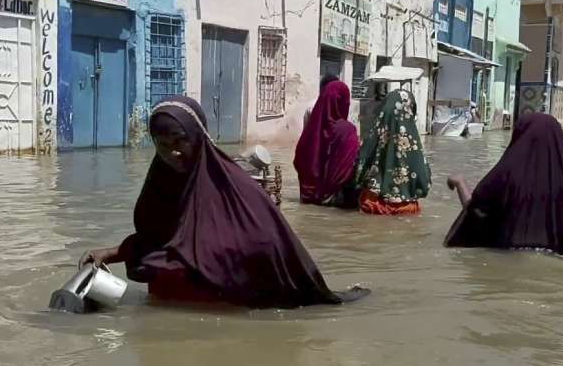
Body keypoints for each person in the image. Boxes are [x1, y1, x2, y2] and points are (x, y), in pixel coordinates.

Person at [79, 96, 369, 309]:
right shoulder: (159, 187)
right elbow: (157, 238)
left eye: (180, 141)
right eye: (162, 145)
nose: (173, 153)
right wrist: (112, 253)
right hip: (165, 316)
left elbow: (266, 243)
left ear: (197, 138)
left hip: (219, 316)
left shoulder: (238, 191)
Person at [444, 113, 563, 259]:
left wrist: (460, 183)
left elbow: (475, 217)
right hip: (558, 273)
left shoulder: (503, 177)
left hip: (505, 265)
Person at [354, 89, 431, 215]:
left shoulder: (372, 140)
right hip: (406, 209)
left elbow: (358, 171)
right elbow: (425, 183)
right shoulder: (415, 147)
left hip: (372, 206)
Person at [294, 80, 360, 207]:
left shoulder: (309, 132)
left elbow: (299, 161)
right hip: (336, 202)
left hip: (308, 198)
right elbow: (347, 171)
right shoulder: (347, 130)